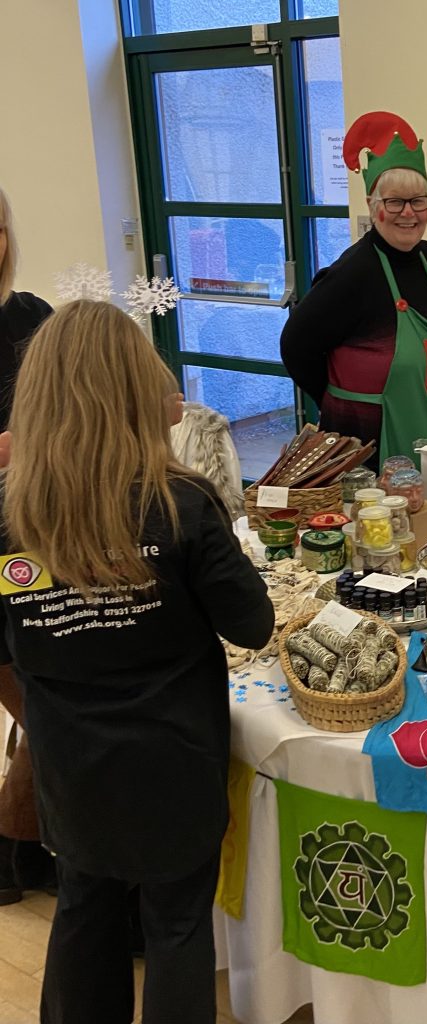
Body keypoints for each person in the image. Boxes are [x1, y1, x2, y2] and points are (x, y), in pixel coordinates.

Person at [0, 299, 274, 1024]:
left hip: (70, 759)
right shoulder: (179, 502)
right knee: (177, 924)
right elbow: (253, 624)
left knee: (84, 907)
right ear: (136, 389)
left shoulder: (11, 513)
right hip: (174, 758)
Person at [280, 111, 427, 471]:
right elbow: (296, 345)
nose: (409, 213)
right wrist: (344, 402)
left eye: (419, 200)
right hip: (375, 460)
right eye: (394, 202)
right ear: (374, 207)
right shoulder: (352, 273)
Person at [0, 186, 54, 904]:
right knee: (43, 701)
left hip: (37, 537)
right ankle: (17, 848)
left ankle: (28, 847)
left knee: (49, 686)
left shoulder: (31, 317)